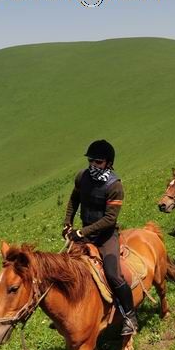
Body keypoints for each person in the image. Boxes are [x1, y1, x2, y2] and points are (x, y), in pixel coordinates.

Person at [63, 140, 138, 336]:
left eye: (98, 162)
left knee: (113, 274)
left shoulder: (115, 186)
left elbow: (109, 219)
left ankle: (130, 316)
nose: (93, 165)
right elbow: (74, 199)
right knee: (65, 270)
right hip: (85, 234)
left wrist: (83, 233)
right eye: (91, 161)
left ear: (108, 163)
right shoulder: (82, 177)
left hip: (105, 237)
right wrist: (67, 223)